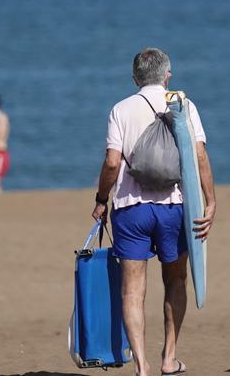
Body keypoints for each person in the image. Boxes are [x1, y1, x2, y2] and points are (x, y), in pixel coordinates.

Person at [91, 48, 216, 376]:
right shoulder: (184, 106)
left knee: (132, 288)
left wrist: (101, 198)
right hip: (175, 208)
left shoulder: (120, 109)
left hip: (131, 210)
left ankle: (142, 366)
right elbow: (199, 156)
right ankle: (169, 358)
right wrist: (210, 201)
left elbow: (112, 162)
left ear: (135, 78)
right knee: (175, 279)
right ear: (167, 76)